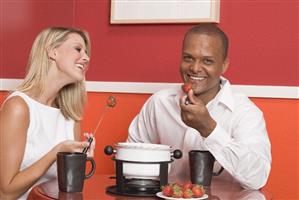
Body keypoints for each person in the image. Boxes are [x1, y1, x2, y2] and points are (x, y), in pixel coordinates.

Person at [127, 24, 271, 190]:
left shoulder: (244, 112)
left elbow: (257, 178)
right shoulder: (160, 102)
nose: (195, 68)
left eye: (207, 61)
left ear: (224, 65)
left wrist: (209, 129)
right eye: (188, 58)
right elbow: (131, 162)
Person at [0, 27, 95, 199]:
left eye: (86, 52)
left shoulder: (71, 117)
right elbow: (5, 193)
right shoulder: (18, 107)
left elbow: (66, 192)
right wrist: (56, 152)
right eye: (78, 49)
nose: (86, 58)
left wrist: (80, 163)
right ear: (53, 52)